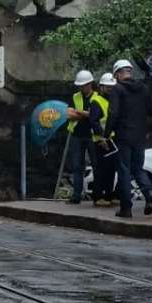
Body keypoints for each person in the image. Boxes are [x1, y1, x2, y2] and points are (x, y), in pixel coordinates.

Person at [105, 59, 152, 218]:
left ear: (117, 74)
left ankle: (126, 208)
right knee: (138, 167)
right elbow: (151, 109)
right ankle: (149, 194)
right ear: (130, 71)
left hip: (123, 136)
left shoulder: (117, 90)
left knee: (124, 170)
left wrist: (106, 134)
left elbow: (113, 113)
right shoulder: (143, 88)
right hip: (140, 136)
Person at [65, 70, 104, 205]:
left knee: (96, 165)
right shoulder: (75, 97)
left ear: (90, 84)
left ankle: (97, 196)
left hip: (92, 136)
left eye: (84, 85)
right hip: (77, 135)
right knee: (77, 166)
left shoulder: (98, 97)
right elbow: (69, 114)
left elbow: (97, 115)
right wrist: (88, 114)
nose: (82, 88)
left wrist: (79, 113)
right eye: (80, 85)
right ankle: (76, 196)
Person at [93, 73, 119, 207]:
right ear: (101, 87)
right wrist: (102, 137)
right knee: (101, 169)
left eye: (112, 87)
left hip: (111, 139)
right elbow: (94, 122)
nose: (110, 89)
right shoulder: (96, 101)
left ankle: (109, 196)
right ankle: (98, 196)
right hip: (101, 141)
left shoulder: (112, 100)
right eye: (107, 87)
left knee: (111, 169)